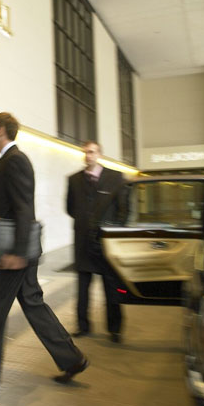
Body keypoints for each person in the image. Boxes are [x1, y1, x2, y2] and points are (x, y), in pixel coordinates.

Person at [0, 112, 89, 386]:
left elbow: (24, 209)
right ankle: (72, 358)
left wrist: (17, 254)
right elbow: (0, 208)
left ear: (0, 131)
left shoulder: (15, 160)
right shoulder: (10, 160)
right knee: (33, 304)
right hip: (19, 252)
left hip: (12, 254)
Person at [66, 140, 127, 343]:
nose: (88, 156)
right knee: (83, 288)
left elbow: (123, 209)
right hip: (83, 242)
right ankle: (83, 326)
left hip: (106, 243)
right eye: (85, 152)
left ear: (99, 154)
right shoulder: (74, 180)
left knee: (111, 287)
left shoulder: (115, 178)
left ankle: (115, 329)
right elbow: (70, 208)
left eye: (91, 152)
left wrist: (112, 231)